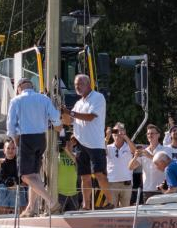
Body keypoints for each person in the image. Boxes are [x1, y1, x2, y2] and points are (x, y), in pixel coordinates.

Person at [7, 77, 62, 216]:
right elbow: (55, 117)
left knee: (25, 176)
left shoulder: (16, 100)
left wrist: (15, 140)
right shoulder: (43, 98)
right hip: (41, 138)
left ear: (19, 88)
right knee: (34, 174)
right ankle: (30, 208)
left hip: (26, 138)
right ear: (31, 86)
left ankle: (51, 202)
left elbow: (10, 125)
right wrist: (58, 127)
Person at [60, 74, 113, 210]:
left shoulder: (98, 97)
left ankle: (110, 201)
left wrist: (70, 113)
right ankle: (86, 205)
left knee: (100, 174)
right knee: (84, 176)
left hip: (95, 144)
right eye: (76, 84)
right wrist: (61, 113)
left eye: (80, 84)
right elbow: (70, 121)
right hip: (81, 144)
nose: (77, 87)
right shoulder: (78, 103)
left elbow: (90, 117)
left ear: (89, 84)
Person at [0, 137, 27, 214]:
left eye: (13, 148)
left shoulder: (21, 162)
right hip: (3, 189)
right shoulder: (0, 162)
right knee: (1, 188)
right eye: (8, 148)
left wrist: (18, 184)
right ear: (4, 150)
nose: (10, 150)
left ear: (16, 150)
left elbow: (28, 179)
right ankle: (1, 215)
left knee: (18, 189)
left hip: (17, 188)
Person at [128, 124, 166, 201]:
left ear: (158, 135)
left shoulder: (165, 149)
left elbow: (164, 165)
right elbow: (130, 167)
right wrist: (135, 157)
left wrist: (150, 156)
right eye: (148, 134)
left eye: (152, 133)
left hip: (161, 189)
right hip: (147, 189)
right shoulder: (144, 151)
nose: (150, 135)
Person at [106, 122, 136, 207]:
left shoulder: (128, 146)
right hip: (112, 183)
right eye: (115, 131)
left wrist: (125, 136)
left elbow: (135, 151)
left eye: (119, 131)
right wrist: (107, 136)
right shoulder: (108, 147)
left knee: (125, 210)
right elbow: (101, 153)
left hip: (126, 183)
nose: (117, 134)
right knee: (112, 210)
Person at [58, 134, 80, 212]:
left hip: (73, 193)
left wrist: (67, 150)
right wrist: (63, 149)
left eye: (73, 141)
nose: (70, 143)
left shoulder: (76, 155)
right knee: (58, 217)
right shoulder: (58, 155)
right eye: (67, 141)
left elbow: (77, 164)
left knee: (75, 219)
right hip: (60, 193)